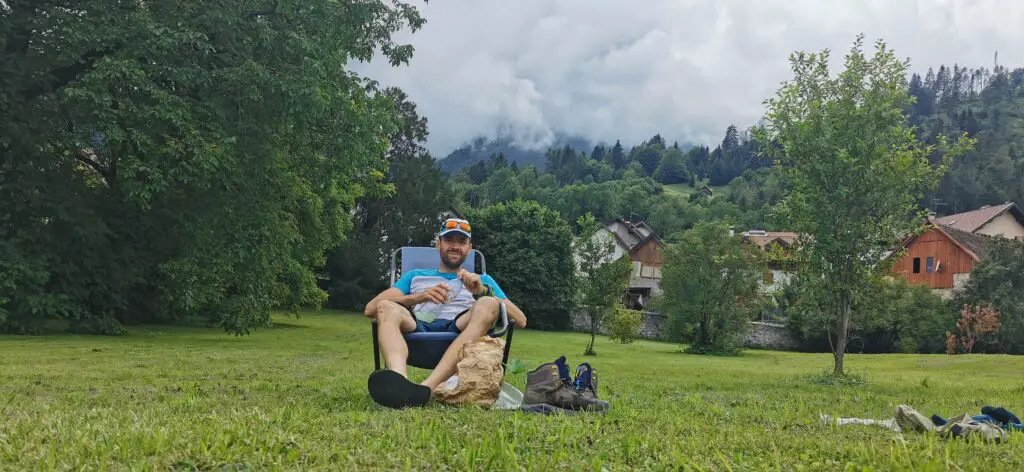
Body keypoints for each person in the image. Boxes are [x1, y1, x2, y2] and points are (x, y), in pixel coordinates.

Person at [363, 217, 527, 408]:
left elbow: (520, 320)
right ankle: (399, 382)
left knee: (489, 303)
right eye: (449, 240)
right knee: (386, 306)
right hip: (418, 328)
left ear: (469, 248)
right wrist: (418, 297)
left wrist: (482, 291)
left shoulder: (482, 280)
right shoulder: (415, 275)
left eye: (462, 242)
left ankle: (426, 389)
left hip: (461, 331)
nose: (455, 246)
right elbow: (371, 308)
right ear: (438, 244)